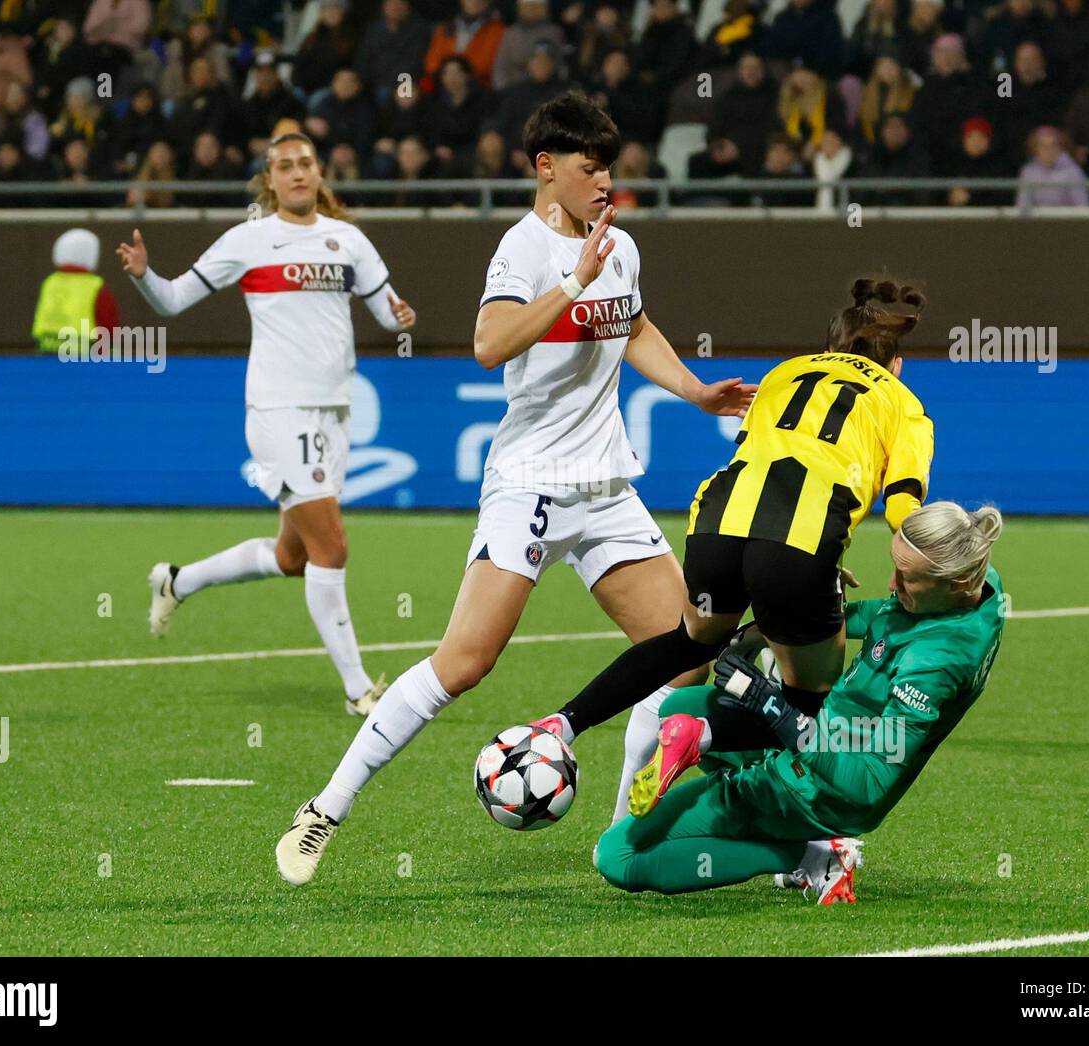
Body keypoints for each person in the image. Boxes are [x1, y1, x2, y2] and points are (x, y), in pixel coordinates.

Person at [275, 91, 756, 885]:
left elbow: (631, 325)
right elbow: (488, 344)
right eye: (589, 168)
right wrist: (572, 282)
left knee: (687, 651)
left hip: (605, 487)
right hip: (531, 485)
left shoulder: (621, 248)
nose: (606, 181)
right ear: (546, 168)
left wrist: (695, 390)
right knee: (464, 663)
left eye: (610, 167)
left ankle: (624, 833)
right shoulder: (523, 250)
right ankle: (327, 806)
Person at [529, 278, 935, 818]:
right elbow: (903, 507)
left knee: (689, 641)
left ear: (829, 348)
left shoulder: (784, 375)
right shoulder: (903, 403)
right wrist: (919, 577)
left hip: (717, 524)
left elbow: (767, 459)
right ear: (897, 365)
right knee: (810, 694)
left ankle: (565, 724)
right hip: (800, 544)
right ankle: (807, 844)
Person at [116, 132, 416, 716]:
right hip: (278, 412)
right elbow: (173, 300)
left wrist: (400, 315)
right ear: (270, 181)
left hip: (334, 412)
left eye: (306, 163)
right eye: (285, 166)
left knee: (294, 557)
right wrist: (143, 275)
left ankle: (178, 580)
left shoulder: (349, 242)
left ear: (319, 173)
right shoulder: (250, 240)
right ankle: (360, 691)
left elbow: (387, 309)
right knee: (332, 546)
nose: (297, 173)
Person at [595, 501, 1005, 902]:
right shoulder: (978, 582)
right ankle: (754, 807)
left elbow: (868, 782)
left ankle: (810, 854)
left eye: (908, 578)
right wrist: (800, 612)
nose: (893, 584)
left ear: (956, 584)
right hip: (817, 731)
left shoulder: (935, 665)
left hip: (826, 790)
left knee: (617, 858)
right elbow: (886, 615)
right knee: (681, 708)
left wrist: (773, 708)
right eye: (896, 567)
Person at [31, 229, 120, 354]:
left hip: (46, 353)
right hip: (84, 359)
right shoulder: (95, 287)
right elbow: (109, 327)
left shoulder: (50, 283)